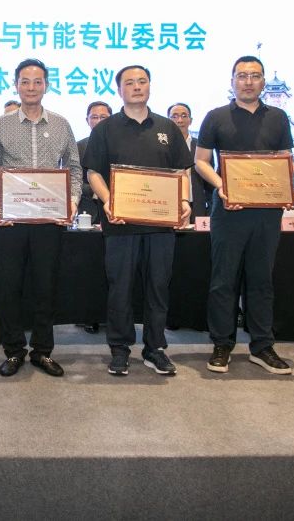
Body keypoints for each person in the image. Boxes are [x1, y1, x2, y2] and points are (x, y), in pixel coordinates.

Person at [82, 65, 191, 377]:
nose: (137, 87)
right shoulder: (105, 129)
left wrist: (184, 201)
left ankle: (155, 348)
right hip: (120, 224)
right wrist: (109, 201)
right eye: (129, 83)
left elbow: (181, 171)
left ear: (150, 86)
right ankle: (119, 348)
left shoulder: (168, 128)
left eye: (142, 81)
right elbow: (93, 173)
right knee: (120, 287)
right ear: (120, 90)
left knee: (158, 287)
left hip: (160, 225)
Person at [0, 58, 82, 378]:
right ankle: (13, 351)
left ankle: (42, 351)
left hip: (49, 221)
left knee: (45, 286)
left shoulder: (62, 124)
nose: (31, 87)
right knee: (10, 286)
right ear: (16, 85)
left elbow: (74, 168)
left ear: (47, 85)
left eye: (38, 81)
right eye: (25, 81)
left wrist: (72, 202)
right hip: (12, 221)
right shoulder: (0, 124)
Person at [194, 55, 294, 375]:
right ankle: (222, 344)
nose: (248, 81)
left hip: (266, 211)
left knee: (261, 280)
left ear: (263, 81)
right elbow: (201, 161)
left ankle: (262, 345)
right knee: (223, 280)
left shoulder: (278, 117)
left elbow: (285, 158)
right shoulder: (216, 117)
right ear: (232, 81)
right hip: (229, 209)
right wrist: (222, 186)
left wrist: (285, 188)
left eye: (254, 75)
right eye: (242, 75)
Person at [74, 100, 112, 334]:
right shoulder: (79, 146)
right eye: (94, 117)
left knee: (114, 267)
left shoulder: (121, 142)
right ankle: (88, 315)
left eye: (103, 117)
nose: (98, 121)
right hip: (88, 213)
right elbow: (73, 180)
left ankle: (111, 314)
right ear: (87, 120)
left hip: (118, 213)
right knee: (88, 267)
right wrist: (97, 191)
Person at [167, 102, 208, 220]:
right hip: (170, 204)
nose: (180, 120)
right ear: (168, 121)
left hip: (198, 204)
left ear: (191, 120)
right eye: (174, 116)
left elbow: (208, 182)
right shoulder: (163, 146)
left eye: (184, 116)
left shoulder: (201, 146)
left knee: (198, 232)